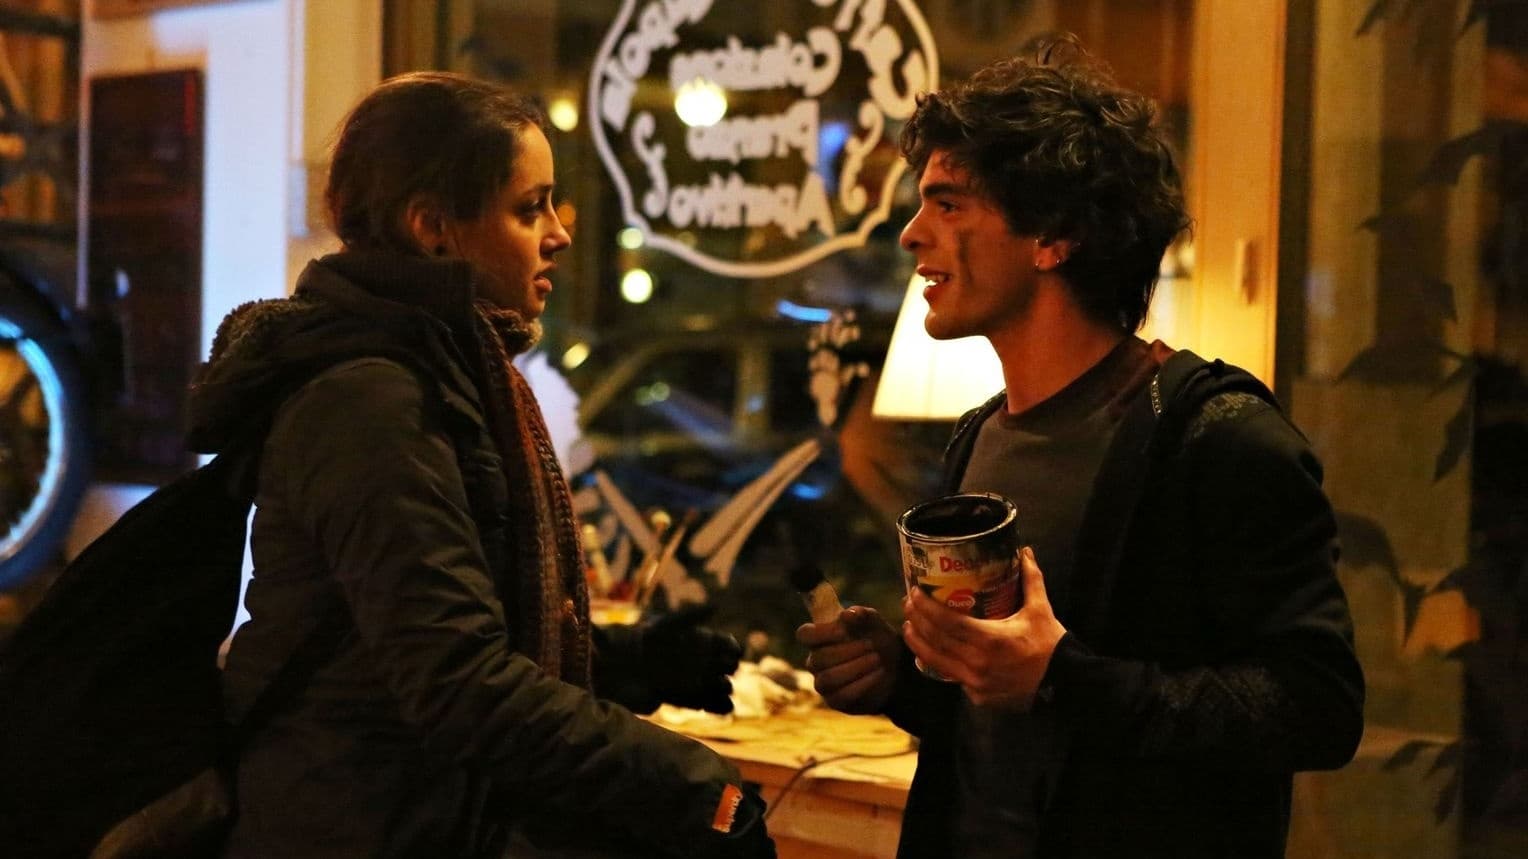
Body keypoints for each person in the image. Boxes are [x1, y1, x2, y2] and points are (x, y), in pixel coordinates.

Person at [797, 37, 1365, 859]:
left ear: (1054, 234)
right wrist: (902, 677)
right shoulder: (981, 434)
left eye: (948, 204)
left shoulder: (1218, 437)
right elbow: (1003, 729)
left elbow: (1319, 709)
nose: (913, 234)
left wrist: (1062, 674)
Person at [188, 72, 774, 858]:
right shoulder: (372, 401)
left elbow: (434, 634)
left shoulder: (447, 374)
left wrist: (627, 662)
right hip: (356, 827)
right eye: (530, 209)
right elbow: (456, 681)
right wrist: (693, 786)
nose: (559, 234)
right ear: (434, 227)